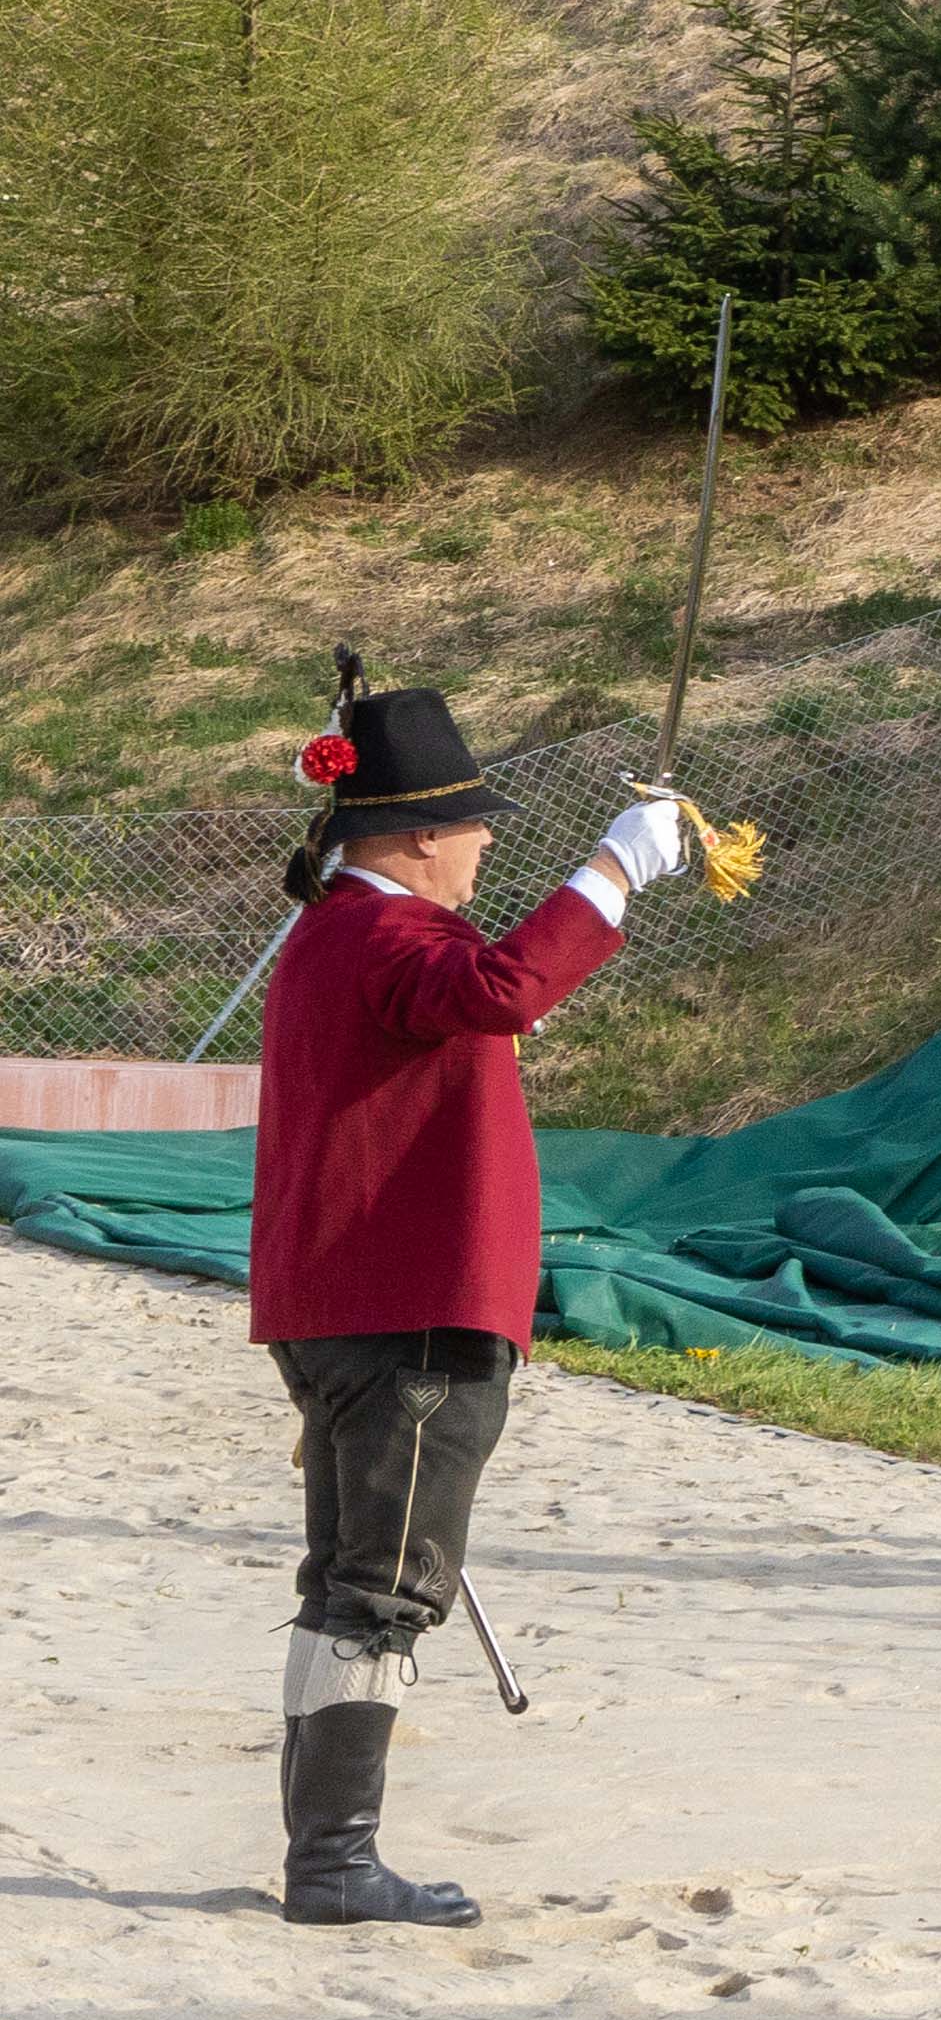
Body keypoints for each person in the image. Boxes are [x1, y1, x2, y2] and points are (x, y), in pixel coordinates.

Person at [248, 667, 693, 1928]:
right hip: (409, 1313)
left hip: (345, 1307)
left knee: (344, 1579)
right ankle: (332, 1862)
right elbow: (502, 986)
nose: (490, 838)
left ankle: (322, 1853)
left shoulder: (346, 933)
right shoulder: (383, 934)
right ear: (420, 835)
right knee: (378, 1589)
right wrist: (612, 869)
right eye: (475, 821)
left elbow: (475, 997)